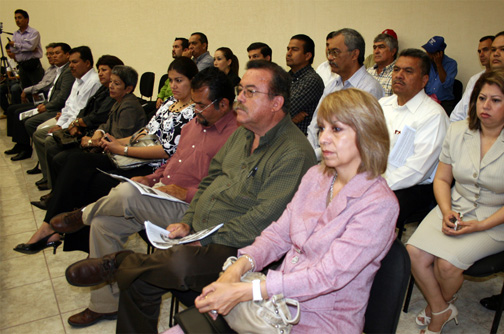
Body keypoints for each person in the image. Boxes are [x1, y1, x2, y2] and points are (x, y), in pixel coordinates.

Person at [62, 60, 317, 332]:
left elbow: (261, 222)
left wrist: (203, 238)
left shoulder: (293, 153)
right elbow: (211, 178)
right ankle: (126, 267)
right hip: (201, 230)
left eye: (250, 92)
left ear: (276, 103)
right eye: (240, 89)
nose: (239, 98)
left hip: (239, 249)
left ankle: (123, 262)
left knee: (178, 262)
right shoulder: (244, 134)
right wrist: (189, 221)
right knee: (141, 279)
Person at [177, 88, 399, 333]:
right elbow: (278, 235)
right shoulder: (316, 176)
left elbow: (327, 277)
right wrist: (238, 268)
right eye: (322, 128)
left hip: (324, 321)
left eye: (336, 129)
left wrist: (246, 290)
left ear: (367, 133)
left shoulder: (379, 204)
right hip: (276, 303)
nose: (323, 138)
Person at [50, 67, 240, 328]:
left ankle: (81, 215)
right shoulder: (196, 124)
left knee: (126, 194)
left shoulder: (238, 137)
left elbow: (228, 189)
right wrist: (150, 180)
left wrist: (186, 192)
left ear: (224, 104)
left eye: (201, 105)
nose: (195, 110)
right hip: (162, 194)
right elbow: (174, 161)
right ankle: (105, 305)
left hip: (191, 211)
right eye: (194, 104)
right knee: (104, 224)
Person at [14, 59, 199, 255]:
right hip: (133, 156)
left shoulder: (194, 112)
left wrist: (123, 150)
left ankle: (61, 231)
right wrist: (117, 142)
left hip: (151, 166)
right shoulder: (169, 102)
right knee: (75, 161)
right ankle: (51, 228)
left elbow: (167, 150)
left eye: (179, 80)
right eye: (170, 80)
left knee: (90, 180)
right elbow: (144, 133)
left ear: (193, 80)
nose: (173, 86)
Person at [407, 69, 504, 334]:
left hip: (500, 220)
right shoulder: (457, 131)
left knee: (447, 265)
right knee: (413, 253)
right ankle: (441, 307)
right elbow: (443, 180)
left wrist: (480, 226)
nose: (486, 106)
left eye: (496, 100)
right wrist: (446, 210)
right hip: (455, 206)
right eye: (481, 98)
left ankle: (438, 310)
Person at [30, 55, 123, 200]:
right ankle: (56, 192)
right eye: (99, 70)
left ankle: (60, 195)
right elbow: (84, 109)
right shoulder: (103, 90)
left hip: (95, 137)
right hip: (86, 130)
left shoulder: (116, 97)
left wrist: (79, 125)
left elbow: (99, 117)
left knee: (56, 150)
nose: (100, 73)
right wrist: (75, 123)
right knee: (52, 143)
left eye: (104, 70)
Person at [378, 48, 449, 237]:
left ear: (424, 80)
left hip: (411, 187)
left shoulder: (433, 115)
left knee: (370, 209)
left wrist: (377, 185)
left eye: (408, 71)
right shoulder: (383, 105)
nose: (399, 76)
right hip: (376, 177)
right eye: (396, 70)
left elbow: (418, 169)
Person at [29, 46, 102, 188]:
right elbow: (68, 106)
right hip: (67, 121)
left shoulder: (93, 81)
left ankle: (54, 183)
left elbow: (80, 112)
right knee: (38, 133)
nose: (71, 66)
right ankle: (48, 176)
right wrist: (60, 124)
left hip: (76, 125)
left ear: (87, 63)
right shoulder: (77, 79)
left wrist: (61, 127)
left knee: (50, 140)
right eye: (70, 62)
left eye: (75, 62)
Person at [307, 28, 384, 160]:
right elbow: (315, 124)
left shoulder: (369, 89)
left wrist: (315, 155)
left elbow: (358, 138)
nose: (330, 58)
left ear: (354, 55)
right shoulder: (332, 86)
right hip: (321, 158)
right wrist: (308, 152)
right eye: (329, 52)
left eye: (335, 52)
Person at [5, 42, 74, 160]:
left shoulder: (67, 71)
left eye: (56, 53)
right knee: (13, 109)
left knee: (25, 119)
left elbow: (61, 96)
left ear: (67, 55)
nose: (52, 56)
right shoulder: (57, 69)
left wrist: (46, 106)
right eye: (49, 54)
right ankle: (21, 145)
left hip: (55, 107)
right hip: (48, 102)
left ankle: (30, 150)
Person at [285, 34, 324, 133]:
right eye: (288, 49)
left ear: (307, 56)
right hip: (283, 137)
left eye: (294, 49)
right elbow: (268, 106)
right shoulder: (284, 77)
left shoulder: (311, 80)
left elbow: (282, 111)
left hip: (300, 141)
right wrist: (292, 120)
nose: (288, 53)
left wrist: (287, 120)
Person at [450, 36, 494, 122]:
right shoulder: (475, 79)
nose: (481, 54)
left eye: (485, 50)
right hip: (467, 127)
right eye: (479, 51)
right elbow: (457, 114)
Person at [421, 36, 458, 114]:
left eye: (430, 52)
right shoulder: (426, 62)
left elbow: (446, 83)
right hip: (427, 100)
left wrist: (439, 65)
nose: (427, 54)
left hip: (444, 102)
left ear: (439, 53)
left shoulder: (451, 64)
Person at [8, 9, 44, 88]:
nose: (17, 20)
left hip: (33, 65)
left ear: (27, 19)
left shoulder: (34, 32)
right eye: (15, 18)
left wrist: (16, 45)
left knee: (37, 89)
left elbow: (31, 47)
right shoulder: (15, 34)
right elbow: (13, 50)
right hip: (22, 66)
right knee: (25, 89)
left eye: (19, 18)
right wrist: (27, 48)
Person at [156, 38, 191, 109]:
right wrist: (159, 97)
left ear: (185, 50)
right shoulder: (173, 65)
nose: (173, 49)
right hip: (164, 101)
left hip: (174, 103)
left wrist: (184, 60)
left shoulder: (188, 67)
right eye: (173, 47)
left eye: (176, 47)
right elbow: (165, 86)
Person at [367, 32, 399, 96]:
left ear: (393, 51)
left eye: (381, 47)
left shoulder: (398, 74)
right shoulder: (367, 72)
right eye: (374, 47)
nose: (376, 51)